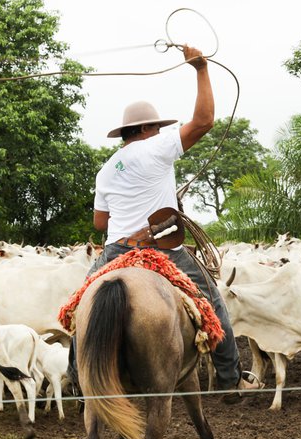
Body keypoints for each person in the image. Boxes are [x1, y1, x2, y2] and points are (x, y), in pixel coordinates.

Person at [68, 45, 259, 402]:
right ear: (144, 129)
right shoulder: (155, 148)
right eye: (156, 127)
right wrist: (201, 68)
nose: (159, 132)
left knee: (81, 307)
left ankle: (77, 380)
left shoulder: (107, 168)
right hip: (158, 250)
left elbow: (99, 221)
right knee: (212, 301)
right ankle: (230, 377)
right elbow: (203, 121)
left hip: (114, 251)